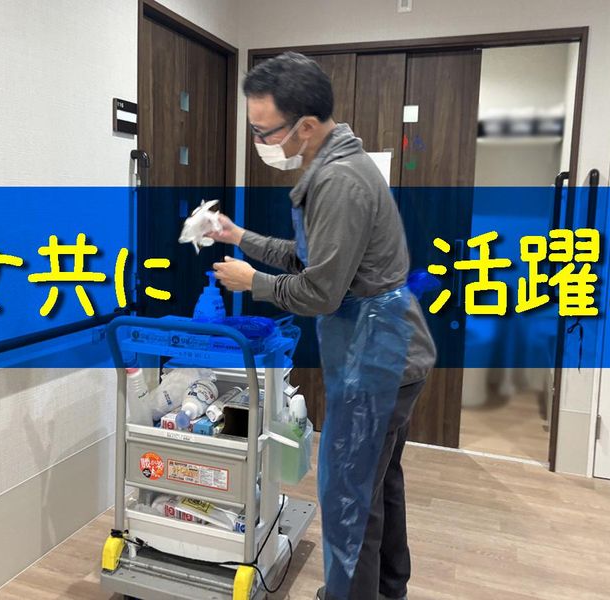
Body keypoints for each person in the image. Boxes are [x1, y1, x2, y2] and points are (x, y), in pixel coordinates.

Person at [209, 52, 436, 600]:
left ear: (305, 126)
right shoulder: (339, 163)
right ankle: (387, 589)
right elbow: (311, 256)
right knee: (377, 482)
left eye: (264, 131)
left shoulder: (339, 180)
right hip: (389, 354)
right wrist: (239, 237)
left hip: (376, 359)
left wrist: (252, 283)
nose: (261, 142)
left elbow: (319, 291)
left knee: (349, 497)